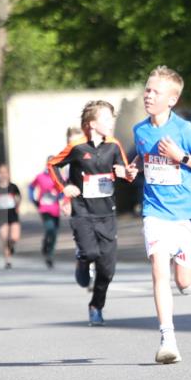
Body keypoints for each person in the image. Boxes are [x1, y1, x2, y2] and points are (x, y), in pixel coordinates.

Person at [132, 66, 191, 364]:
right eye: (147, 89)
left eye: (155, 91)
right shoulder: (139, 130)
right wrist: (133, 168)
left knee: (182, 281)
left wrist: (182, 158)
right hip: (154, 212)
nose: (148, 95)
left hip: (185, 215)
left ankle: (188, 271)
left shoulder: (183, 129)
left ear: (172, 99)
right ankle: (168, 338)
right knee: (158, 271)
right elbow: (143, 158)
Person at [47, 100, 134, 326]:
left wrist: (126, 173)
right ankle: (82, 260)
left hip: (107, 213)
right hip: (82, 210)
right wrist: (63, 187)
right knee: (90, 252)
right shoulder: (77, 147)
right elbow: (53, 165)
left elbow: (127, 173)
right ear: (93, 124)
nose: (111, 123)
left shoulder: (114, 145)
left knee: (108, 269)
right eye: (107, 119)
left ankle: (96, 305)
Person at [0, 164, 22, 269]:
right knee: (4, 238)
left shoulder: (13, 187)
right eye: (1, 172)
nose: (3, 175)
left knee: (14, 237)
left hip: (12, 214)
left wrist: (17, 204)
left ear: (8, 174)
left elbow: (18, 197)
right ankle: (8, 261)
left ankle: (11, 247)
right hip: (1, 215)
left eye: (5, 172)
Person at [29, 163, 62, 267]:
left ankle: (50, 253)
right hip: (44, 208)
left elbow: (63, 190)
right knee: (50, 229)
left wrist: (60, 198)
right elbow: (31, 187)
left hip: (56, 209)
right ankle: (46, 248)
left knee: (55, 233)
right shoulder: (40, 177)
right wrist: (33, 199)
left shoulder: (59, 176)